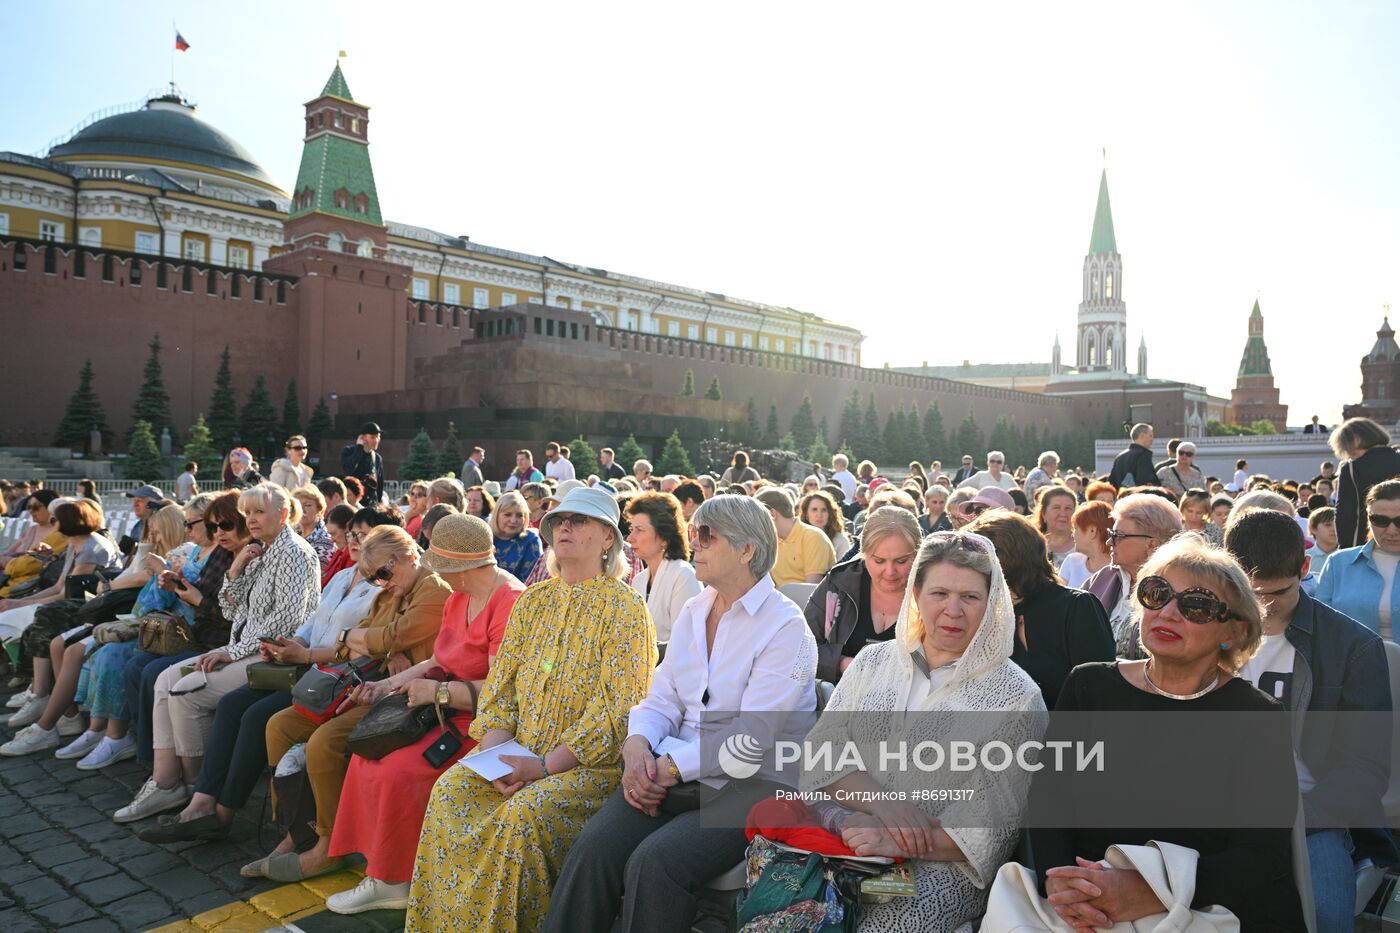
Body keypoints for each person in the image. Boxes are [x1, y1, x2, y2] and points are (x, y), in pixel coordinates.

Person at [543, 494, 819, 933]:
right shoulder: (696, 610)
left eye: (706, 535)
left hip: (758, 782)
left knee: (656, 862)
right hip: (678, 769)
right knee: (594, 846)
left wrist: (668, 767)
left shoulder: (786, 626)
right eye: (694, 533)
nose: (695, 544)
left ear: (747, 549)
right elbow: (662, 698)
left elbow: (754, 736)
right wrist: (637, 748)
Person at [1004, 535, 1304, 933]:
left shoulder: (1256, 716)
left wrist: (1153, 891)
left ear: (1234, 630)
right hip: (1083, 903)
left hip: (1204, 907)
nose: (1168, 612)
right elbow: (1048, 801)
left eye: (1195, 605)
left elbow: (1261, 857)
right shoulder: (1089, 685)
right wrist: (1061, 883)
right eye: (1156, 593)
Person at [406, 486, 656, 930]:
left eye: (580, 521)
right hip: (518, 752)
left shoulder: (626, 609)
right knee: (450, 793)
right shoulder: (534, 602)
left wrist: (541, 767)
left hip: (585, 768)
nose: (565, 526)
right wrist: (499, 758)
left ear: (607, 540)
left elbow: (618, 709)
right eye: (560, 520)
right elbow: (501, 690)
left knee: (523, 816)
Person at [795, 531, 1046, 932]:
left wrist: (894, 839)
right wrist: (885, 808)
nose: (953, 610)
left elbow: (991, 822)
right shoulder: (874, 662)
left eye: (970, 597)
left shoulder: (1017, 697)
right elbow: (824, 753)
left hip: (940, 866)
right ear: (916, 595)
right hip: (846, 839)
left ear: (992, 604)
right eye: (939, 593)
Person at [137, 506, 380, 844]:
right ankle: (201, 800)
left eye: (365, 536)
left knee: (254, 716)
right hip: (301, 665)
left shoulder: (379, 588)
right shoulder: (342, 576)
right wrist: (289, 644)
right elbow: (307, 622)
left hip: (333, 678)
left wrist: (302, 652)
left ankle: (224, 813)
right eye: (353, 534)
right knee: (232, 705)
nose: (355, 541)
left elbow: (362, 648)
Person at [323, 514, 524, 913]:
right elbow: (440, 657)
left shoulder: (510, 602)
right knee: (368, 755)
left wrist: (439, 691)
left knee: (399, 770)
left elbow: (508, 693)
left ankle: (394, 878)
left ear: (460, 568)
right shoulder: (460, 596)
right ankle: (386, 872)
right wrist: (389, 686)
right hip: (443, 708)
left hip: (480, 724)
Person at [248, 525, 450, 882]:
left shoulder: (433, 589)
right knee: (278, 726)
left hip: (411, 696)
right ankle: (299, 830)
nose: (381, 582)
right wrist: (367, 642)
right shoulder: (389, 592)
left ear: (407, 555)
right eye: (373, 578)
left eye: (385, 573)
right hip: (376, 685)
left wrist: (370, 641)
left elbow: (389, 636)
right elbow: (354, 645)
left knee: (323, 743)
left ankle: (329, 845)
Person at [1227, 508, 1395, 932]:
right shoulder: (1203, 628)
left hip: (1312, 817)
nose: (1262, 607)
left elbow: (1365, 769)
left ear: (1305, 568)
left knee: (1322, 917)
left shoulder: (1354, 647)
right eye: (1251, 592)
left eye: (1277, 593)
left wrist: (1294, 816)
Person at [113, 483, 320, 823]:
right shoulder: (260, 551)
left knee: (186, 690)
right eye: (248, 513)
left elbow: (285, 620)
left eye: (258, 512)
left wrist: (231, 651)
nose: (251, 520)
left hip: (272, 655)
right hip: (244, 648)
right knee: (165, 679)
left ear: (283, 515)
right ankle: (166, 780)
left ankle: (197, 787)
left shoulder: (294, 553)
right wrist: (237, 566)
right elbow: (229, 610)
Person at [2, 503, 185, 755]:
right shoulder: (150, 552)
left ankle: (55, 722)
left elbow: (140, 588)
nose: (151, 535)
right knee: (57, 642)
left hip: (133, 619)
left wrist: (116, 583)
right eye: (149, 530)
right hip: (122, 615)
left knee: (74, 644)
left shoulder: (171, 557)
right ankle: (65, 714)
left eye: (156, 531)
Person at [967, 511, 1114, 708]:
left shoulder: (1077, 607)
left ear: (1006, 561)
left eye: (978, 562)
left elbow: (1100, 693)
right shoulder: (991, 614)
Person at [806, 506, 921, 683]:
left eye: (901, 561)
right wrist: (843, 664)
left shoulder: (932, 592)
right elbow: (801, 646)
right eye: (879, 561)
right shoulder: (838, 584)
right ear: (863, 555)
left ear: (917, 555)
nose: (890, 572)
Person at [1083, 493, 1183, 659]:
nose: (1109, 542)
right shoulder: (1103, 578)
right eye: (1110, 534)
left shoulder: (1178, 590)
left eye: (1118, 536)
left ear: (1153, 545)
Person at [1316, 479, 1400, 640]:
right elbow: (1321, 624)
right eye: (1380, 520)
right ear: (1368, 518)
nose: (1391, 531)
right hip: (1351, 663)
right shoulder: (1338, 563)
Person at [625, 492, 701, 648]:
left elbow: (686, 643)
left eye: (639, 530)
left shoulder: (683, 575)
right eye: (631, 529)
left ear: (664, 536)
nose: (630, 538)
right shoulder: (638, 580)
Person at [1331, 418, 1400, 548]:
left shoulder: (1352, 469)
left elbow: (1346, 516)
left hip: (1367, 547)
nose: (1347, 454)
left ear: (1356, 440)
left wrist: (1346, 551)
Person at [755, 488, 836, 587]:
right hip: (780, 600)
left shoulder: (813, 537)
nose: (754, 522)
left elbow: (810, 591)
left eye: (757, 516)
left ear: (772, 514)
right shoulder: (768, 541)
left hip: (804, 601)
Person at [0, 490, 66, 597]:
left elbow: (30, 565)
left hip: (21, 587)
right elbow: (8, 553)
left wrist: (5, 562)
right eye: (28, 507)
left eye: (36, 507)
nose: (31, 511)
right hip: (12, 580)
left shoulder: (59, 535)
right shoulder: (31, 530)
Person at [489, 490, 542, 582]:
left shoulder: (531, 541)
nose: (513, 520)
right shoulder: (485, 538)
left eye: (519, 515)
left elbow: (530, 581)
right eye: (508, 515)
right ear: (496, 515)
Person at [1059, 499, 1112, 590]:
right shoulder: (1072, 561)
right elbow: (1057, 599)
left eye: (1076, 528)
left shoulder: (1118, 570)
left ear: (1092, 531)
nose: (1072, 535)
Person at [1032, 485, 1077, 569]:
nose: (1063, 514)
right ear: (1043, 514)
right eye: (1056, 508)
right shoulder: (1032, 544)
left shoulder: (1083, 546)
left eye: (1068, 508)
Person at [340, 423, 385, 504]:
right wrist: (359, 448)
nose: (376, 440)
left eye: (378, 436)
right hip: (354, 503)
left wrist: (378, 503)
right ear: (363, 437)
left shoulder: (377, 458)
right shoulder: (349, 451)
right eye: (372, 437)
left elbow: (380, 486)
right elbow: (348, 470)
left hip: (371, 504)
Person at [799, 489, 851, 558]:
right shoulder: (797, 538)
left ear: (829, 513)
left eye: (824, 510)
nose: (819, 515)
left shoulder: (840, 541)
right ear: (806, 514)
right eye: (814, 509)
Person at [292, 485, 334, 570]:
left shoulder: (325, 541)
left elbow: (319, 576)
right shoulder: (294, 534)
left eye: (307, 505)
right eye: (298, 506)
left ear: (319, 510)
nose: (302, 510)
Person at [1108, 422, 1156, 490]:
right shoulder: (1143, 455)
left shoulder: (1119, 457)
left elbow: (1112, 482)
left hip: (1121, 497)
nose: (1152, 439)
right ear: (1142, 436)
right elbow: (1145, 482)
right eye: (1150, 435)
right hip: (1138, 498)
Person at [1306, 506, 1338, 577]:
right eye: (1328, 525)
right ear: (1313, 528)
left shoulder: (1348, 557)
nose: (1334, 529)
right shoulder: (1303, 558)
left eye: (1337, 524)